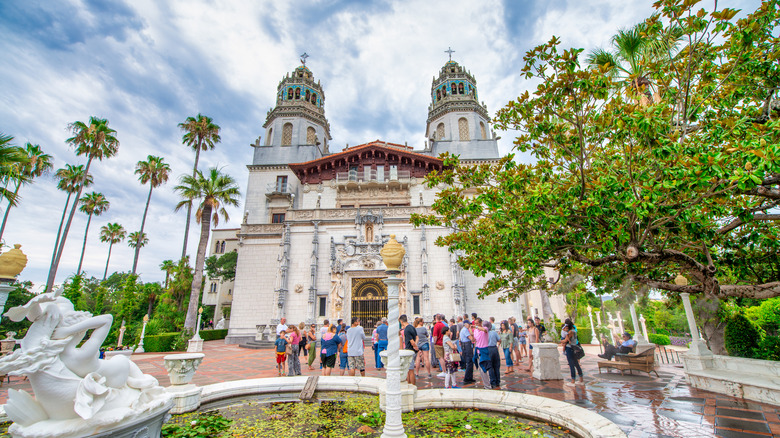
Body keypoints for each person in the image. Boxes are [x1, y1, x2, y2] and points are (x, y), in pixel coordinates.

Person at [561, 321, 584, 386]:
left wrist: (561, 341)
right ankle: (581, 379)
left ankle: (573, 381)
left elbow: (565, 340)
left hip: (569, 348)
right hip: (574, 347)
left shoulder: (570, 332)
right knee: (576, 364)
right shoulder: (574, 331)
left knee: (571, 364)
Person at [472, 318, 492, 389]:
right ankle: (486, 384)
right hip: (478, 350)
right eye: (475, 323)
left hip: (484, 349)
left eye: (477, 323)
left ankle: (488, 385)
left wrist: (476, 327)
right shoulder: (475, 331)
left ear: (480, 323)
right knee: (481, 369)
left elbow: (484, 330)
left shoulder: (485, 328)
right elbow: (474, 339)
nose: (476, 325)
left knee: (485, 367)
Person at [400, 314, 418, 384]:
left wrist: (414, 345)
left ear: (401, 321)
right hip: (413, 351)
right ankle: (409, 384)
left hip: (409, 350)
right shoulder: (412, 327)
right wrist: (416, 346)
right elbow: (417, 337)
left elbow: (411, 341)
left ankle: (412, 386)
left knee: (410, 371)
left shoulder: (406, 329)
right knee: (409, 370)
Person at [459, 320, 476, 385]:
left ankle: (470, 377)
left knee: (470, 362)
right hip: (467, 346)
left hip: (465, 346)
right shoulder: (465, 330)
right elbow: (472, 338)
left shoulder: (464, 330)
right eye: (469, 324)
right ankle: (467, 378)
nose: (470, 325)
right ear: (465, 324)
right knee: (469, 362)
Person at [486, 321, 502, 389]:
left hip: (488, 349)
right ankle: (498, 381)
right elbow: (499, 340)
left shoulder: (485, 333)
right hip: (494, 348)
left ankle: (493, 381)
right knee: (496, 366)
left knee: (490, 366)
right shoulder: (494, 332)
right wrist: (497, 345)